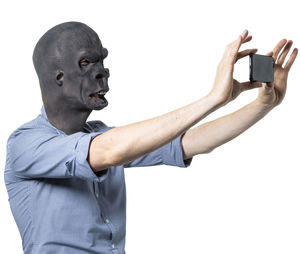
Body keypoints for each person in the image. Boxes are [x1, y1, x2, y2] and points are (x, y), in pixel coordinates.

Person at [4, 21, 297, 254]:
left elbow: (190, 142)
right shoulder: (26, 144)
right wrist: (212, 99)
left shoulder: (104, 135)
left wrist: (262, 105)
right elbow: (108, 152)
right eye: (86, 63)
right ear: (58, 78)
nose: (102, 73)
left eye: (102, 61)